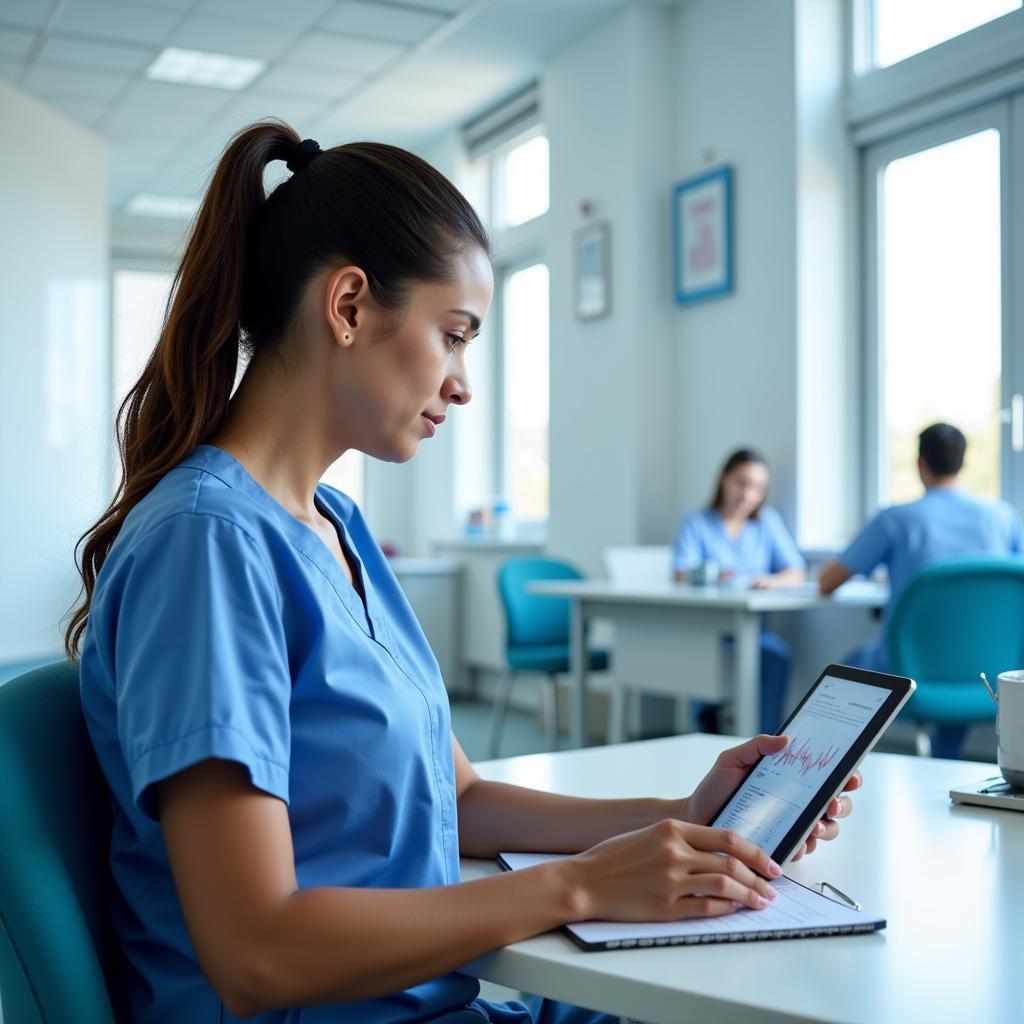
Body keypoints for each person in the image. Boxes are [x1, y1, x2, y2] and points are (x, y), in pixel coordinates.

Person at [68, 123, 859, 1024]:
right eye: (453, 335)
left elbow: (461, 798)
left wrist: (682, 815)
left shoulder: (337, 526)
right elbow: (257, 952)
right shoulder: (207, 544)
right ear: (351, 305)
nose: (462, 383)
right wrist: (579, 889)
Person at [819, 422, 1024, 757]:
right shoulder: (1004, 517)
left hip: (912, 671)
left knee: (848, 667)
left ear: (920, 463)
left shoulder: (894, 519)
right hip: (987, 673)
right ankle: (945, 760)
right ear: (963, 463)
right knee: (956, 654)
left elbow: (828, 583)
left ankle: (818, 767)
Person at [673, 449, 806, 734]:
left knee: (777, 657)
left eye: (757, 487)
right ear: (724, 479)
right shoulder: (697, 522)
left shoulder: (766, 523)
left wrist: (772, 581)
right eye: (741, 482)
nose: (747, 494)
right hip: (707, 631)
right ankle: (707, 728)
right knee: (703, 662)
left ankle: (766, 741)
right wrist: (716, 575)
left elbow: (796, 570)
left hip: (753, 632)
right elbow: (681, 572)